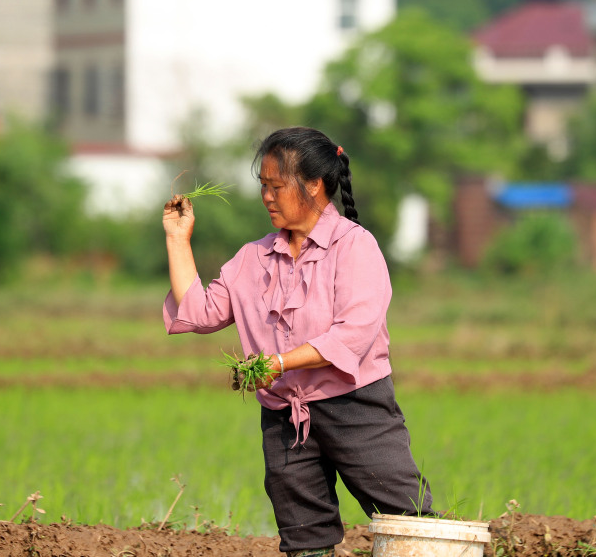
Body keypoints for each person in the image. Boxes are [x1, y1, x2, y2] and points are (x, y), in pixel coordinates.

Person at [162, 127, 434, 557]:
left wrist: (281, 363)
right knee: (304, 538)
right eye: (263, 187)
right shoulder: (252, 258)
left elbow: (354, 333)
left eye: (277, 186)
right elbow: (198, 312)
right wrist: (178, 240)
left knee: (408, 521)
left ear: (314, 184)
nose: (267, 197)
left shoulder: (354, 247)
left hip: (355, 405)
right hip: (285, 418)